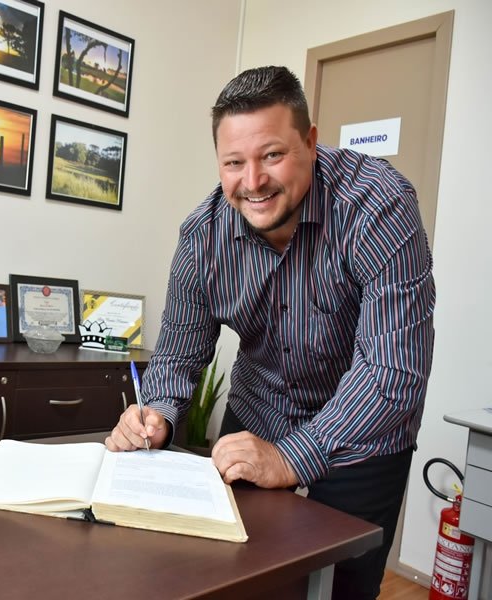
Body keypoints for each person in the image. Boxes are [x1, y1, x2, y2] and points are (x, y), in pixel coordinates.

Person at [105, 66, 435, 599]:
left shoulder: (378, 206)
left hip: (365, 436)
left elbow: (393, 371)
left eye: (273, 155)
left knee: (344, 585)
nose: (253, 181)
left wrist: (291, 457)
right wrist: (158, 413)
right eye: (234, 163)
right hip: (256, 418)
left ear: (310, 140)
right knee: (241, 579)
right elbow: (178, 355)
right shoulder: (201, 238)